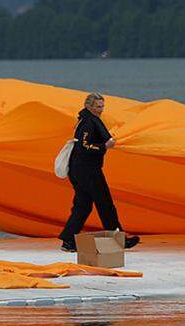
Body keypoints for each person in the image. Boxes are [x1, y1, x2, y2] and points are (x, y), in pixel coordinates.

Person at [58, 92, 140, 252]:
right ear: (88, 106)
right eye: (97, 106)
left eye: (102, 106)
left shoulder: (85, 119)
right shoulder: (88, 121)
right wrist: (104, 147)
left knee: (83, 206)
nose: (100, 110)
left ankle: (68, 240)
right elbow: (84, 145)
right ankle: (119, 240)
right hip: (87, 170)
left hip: (79, 169)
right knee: (105, 204)